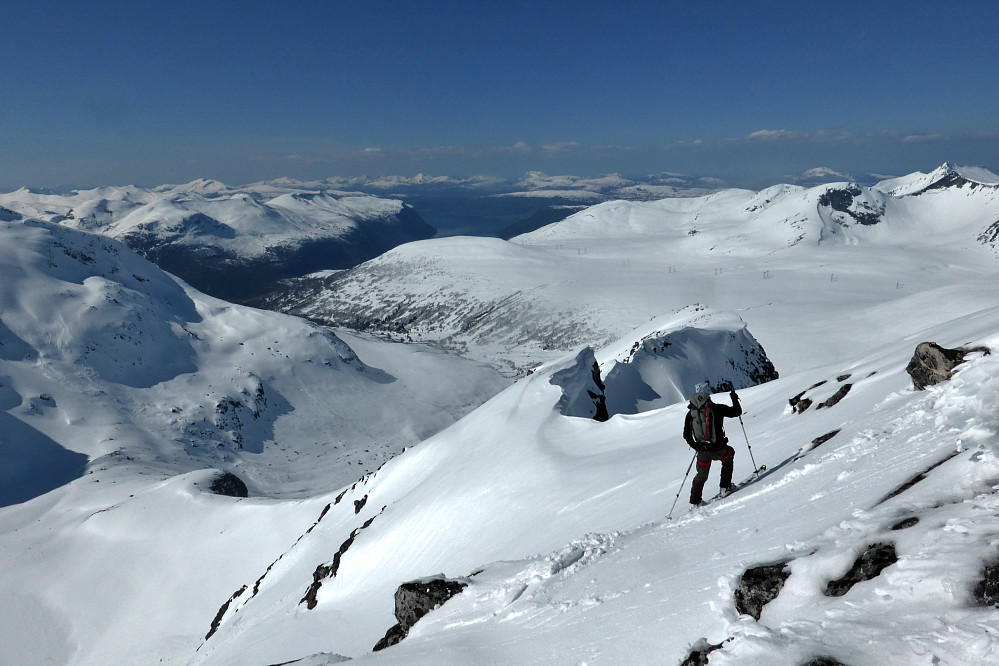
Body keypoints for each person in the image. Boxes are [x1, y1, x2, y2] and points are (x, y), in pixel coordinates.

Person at [683, 389, 742, 507]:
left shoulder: (691, 414)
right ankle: (725, 487)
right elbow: (737, 412)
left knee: (701, 476)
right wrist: (734, 399)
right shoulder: (717, 409)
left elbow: (687, 435)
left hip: (703, 451)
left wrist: (696, 447)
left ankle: (695, 502)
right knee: (729, 456)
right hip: (719, 449)